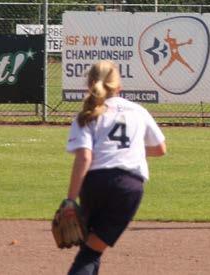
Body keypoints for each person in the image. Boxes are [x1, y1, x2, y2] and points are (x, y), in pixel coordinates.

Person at [64, 60, 167, 274]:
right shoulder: (138, 111)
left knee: (90, 249)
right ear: (119, 87)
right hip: (127, 188)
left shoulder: (87, 113)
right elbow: (160, 149)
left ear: (89, 84)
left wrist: (70, 200)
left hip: (94, 184)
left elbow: (84, 156)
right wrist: (133, 150)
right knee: (91, 251)